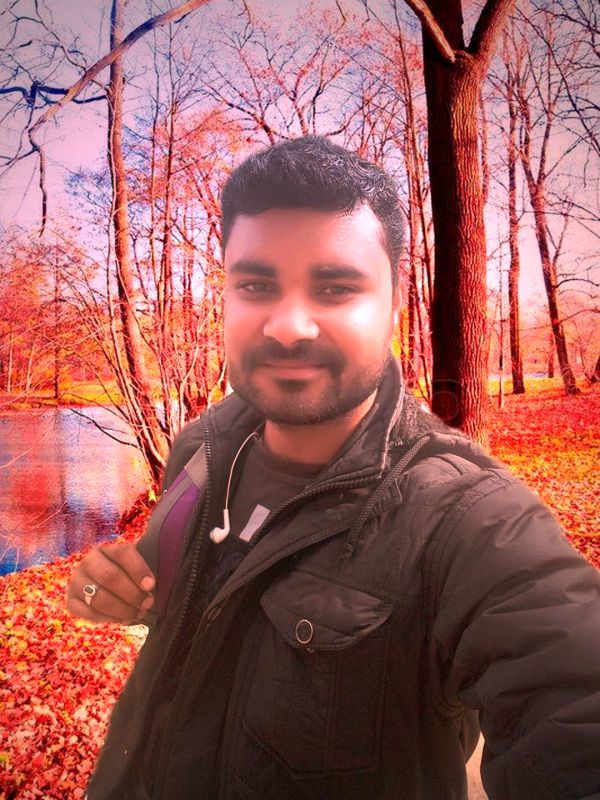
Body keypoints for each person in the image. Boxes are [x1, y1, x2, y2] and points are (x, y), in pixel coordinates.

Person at [66, 136, 600, 800]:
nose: (289, 325)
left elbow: (572, 704)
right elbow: (158, 599)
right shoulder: (201, 447)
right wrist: (102, 591)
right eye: (256, 285)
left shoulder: (469, 521)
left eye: (336, 287)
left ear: (395, 302)